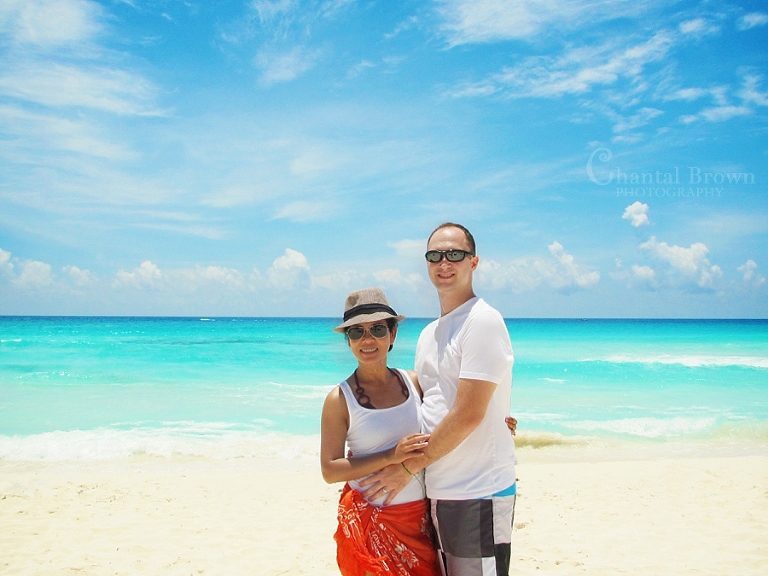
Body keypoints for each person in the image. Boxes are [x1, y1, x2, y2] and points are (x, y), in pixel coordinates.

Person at [360, 223, 517, 576]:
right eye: (435, 255)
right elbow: (431, 399)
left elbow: (467, 414)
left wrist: (406, 468)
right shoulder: (430, 333)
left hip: (479, 489)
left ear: (473, 262)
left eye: (455, 255)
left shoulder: (483, 321)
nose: (444, 263)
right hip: (438, 489)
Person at [320, 287, 442, 576]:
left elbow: (454, 414)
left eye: (377, 329)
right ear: (348, 341)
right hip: (371, 525)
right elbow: (330, 470)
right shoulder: (339, 400)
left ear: (393, 335)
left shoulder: (415, 383)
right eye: (356, 332)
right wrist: (391, 455)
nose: (367, 339)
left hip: (420, 521)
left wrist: (499, 419)